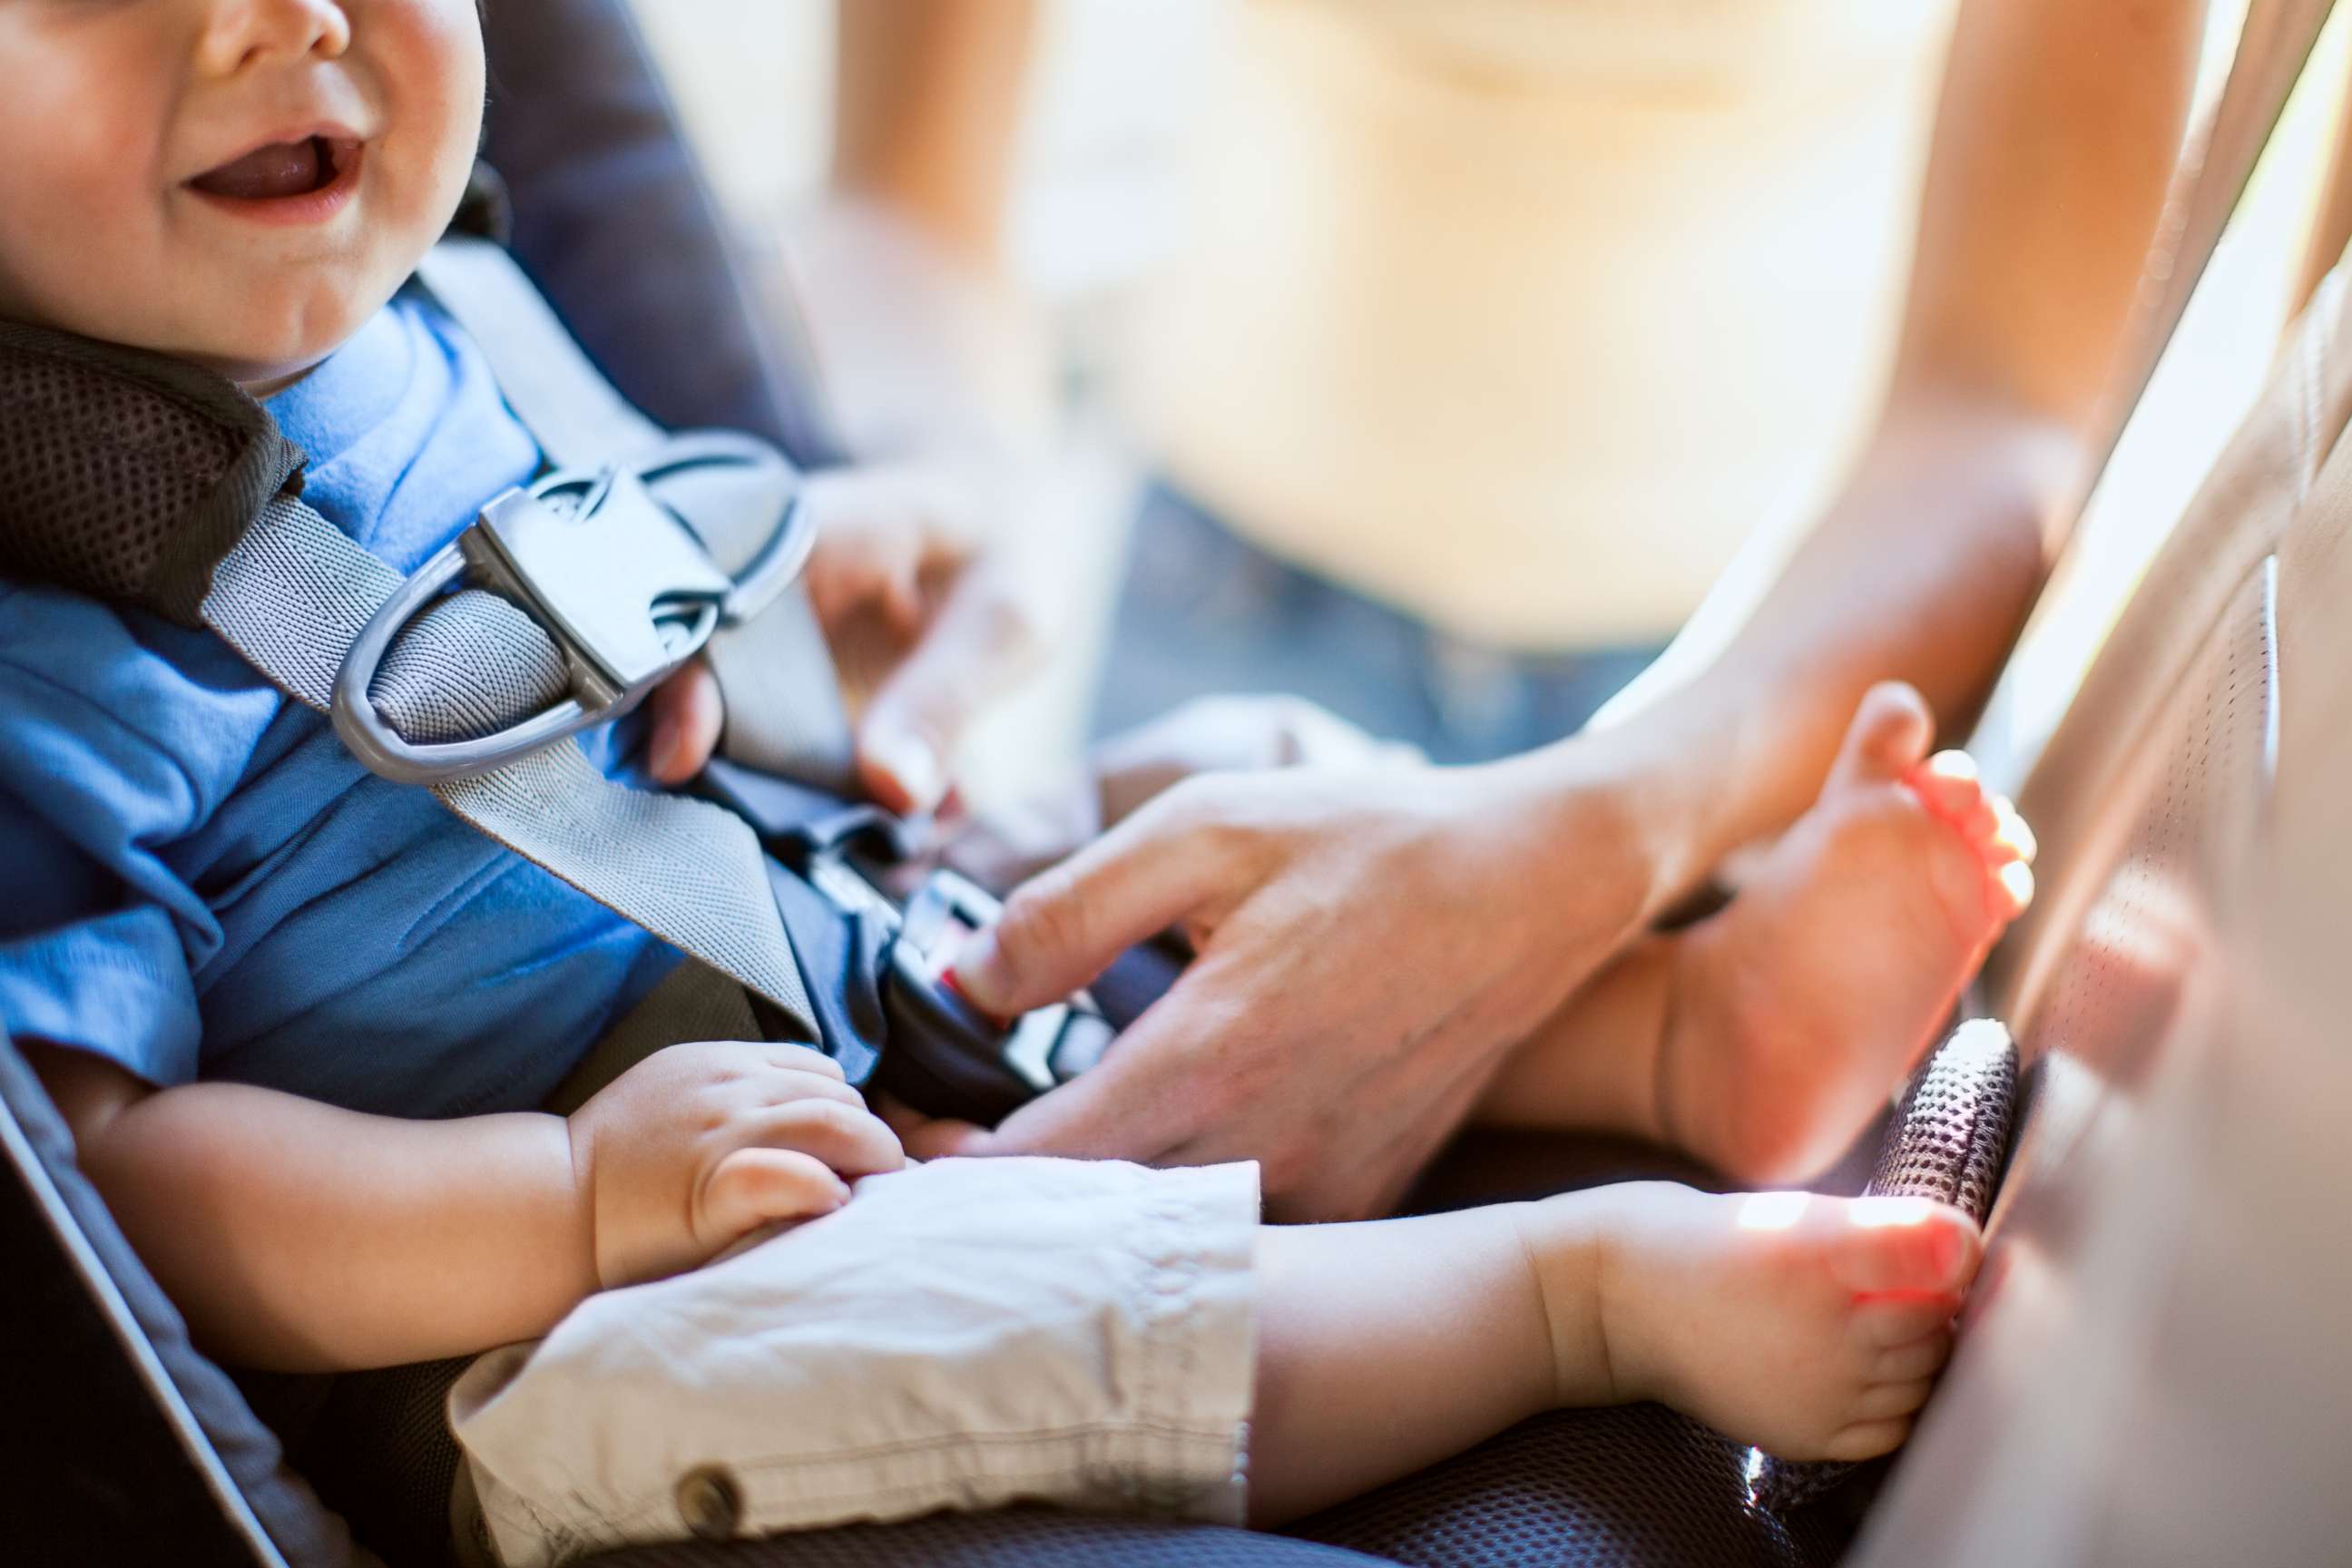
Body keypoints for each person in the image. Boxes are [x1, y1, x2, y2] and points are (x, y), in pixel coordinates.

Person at [0, 0, 2023, 1548]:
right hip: (537, 1313)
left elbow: (634, 561)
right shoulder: (47, 637)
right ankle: (1573, 1298)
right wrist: (570, 1204)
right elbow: (120, 1194)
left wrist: (802, 554)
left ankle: (1685, 1031)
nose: (285, 22)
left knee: (1213, 789)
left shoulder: (449, 309)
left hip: (821, 932)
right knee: (940, 1294)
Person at [818, 0, 2204, 1218]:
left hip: (1774, 704)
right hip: (1227, 618)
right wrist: (928, 476)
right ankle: (1690, 1032)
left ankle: (1694, 1027)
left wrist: (1605, 823)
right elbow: (903, 207)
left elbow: (2003, 413)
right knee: (1101, 1052)